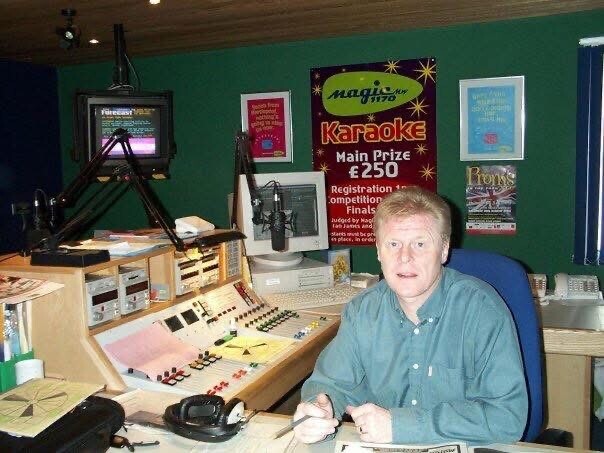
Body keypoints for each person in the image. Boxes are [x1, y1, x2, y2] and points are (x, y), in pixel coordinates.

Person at [293, 186, 528, 445]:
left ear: (444, 249)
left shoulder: (482, 311)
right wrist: (317, 410)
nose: (405, 258)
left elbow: (507, 418)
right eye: (393, 244)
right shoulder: (362, 312)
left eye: (420, 244)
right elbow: (331, 385)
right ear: (379, 251)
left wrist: (401, 426)